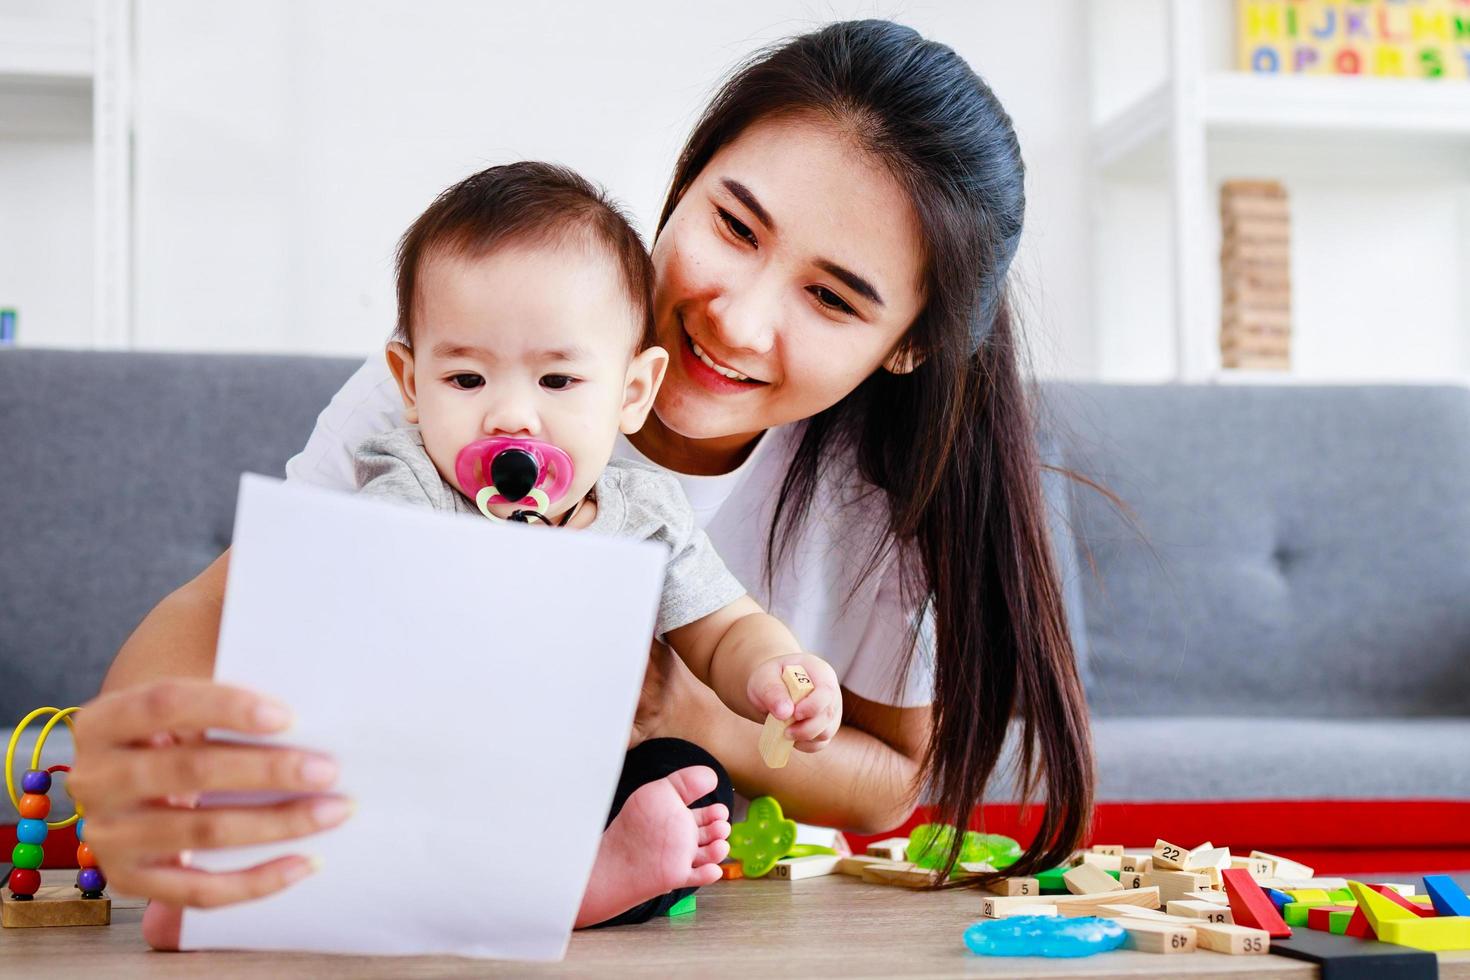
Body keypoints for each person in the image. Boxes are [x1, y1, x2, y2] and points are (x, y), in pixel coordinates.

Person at [72, 18, 1094, 947]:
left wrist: (683, 706)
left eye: (830, 298)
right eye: (734, 226)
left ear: (909, 346)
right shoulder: (468, 371)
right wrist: (141, 750)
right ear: (686, 181)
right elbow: (230, 609)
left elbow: (888, 785)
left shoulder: (876, 504)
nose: (737, 318)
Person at [357, 159, 842, 926]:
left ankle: (600, 871)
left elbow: (723, 629)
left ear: (632, 392)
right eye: (466, 380)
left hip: (579, 786)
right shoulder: (411, 491)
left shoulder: (647, 513)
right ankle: (551, 893)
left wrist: (777, 671)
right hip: (449, 773)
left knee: (689, 780)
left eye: (557, 382)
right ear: (410, 383)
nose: (510, 417)